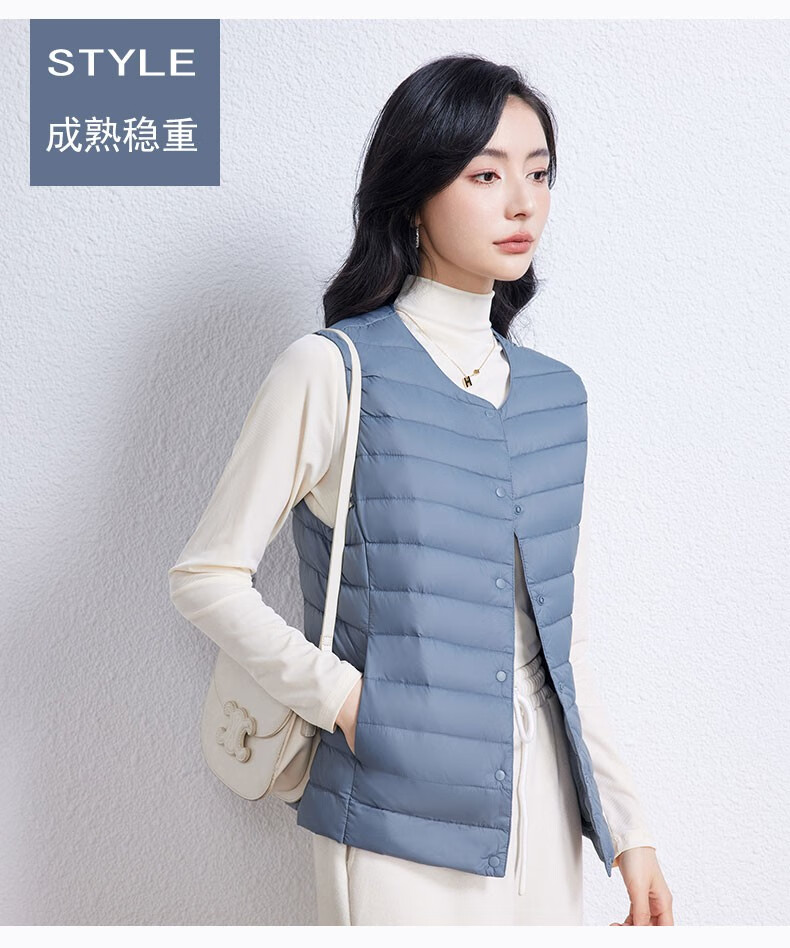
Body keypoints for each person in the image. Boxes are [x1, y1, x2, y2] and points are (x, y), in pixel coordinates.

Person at [168, 54, 674, 926]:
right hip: (392, 808)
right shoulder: (335, 371)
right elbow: (205, 576)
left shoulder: (558, 397)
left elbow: (565, 649)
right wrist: (348, 703)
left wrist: (630, 830)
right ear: (414, 194)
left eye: (538, 174)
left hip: (545, 806)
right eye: (485, 174)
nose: (522, 204)